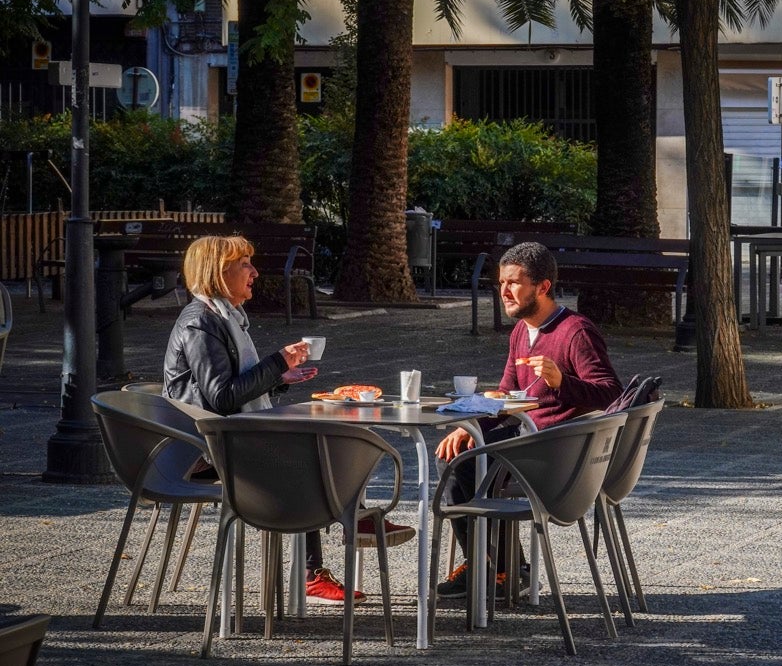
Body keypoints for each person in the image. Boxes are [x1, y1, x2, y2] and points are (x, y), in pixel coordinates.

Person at [162, 235, 400, 605]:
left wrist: (277, 378)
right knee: (311, 455)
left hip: (226, 439)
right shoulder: (201, 323)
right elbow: (221, 397)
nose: (254, 272)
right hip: (203, 451)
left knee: (321, 443)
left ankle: (351, 518)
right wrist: (277, 363)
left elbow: (229, 389)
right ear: (217, 272)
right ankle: (334, 541)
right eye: (245, 265)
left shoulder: (225, 317)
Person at [433, 241, 623, 597]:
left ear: (542, 287)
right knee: (460, 455)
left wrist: (561, 382)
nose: (504, 291)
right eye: (501, 283)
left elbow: (611, 392)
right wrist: (469, 421)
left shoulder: (576, 331)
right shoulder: (521, 331)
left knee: (469, 464)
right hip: (526, 438)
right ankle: (498, 568)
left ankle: (496, 569)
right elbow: (508, 392)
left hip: (557, 452)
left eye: (514, 283)